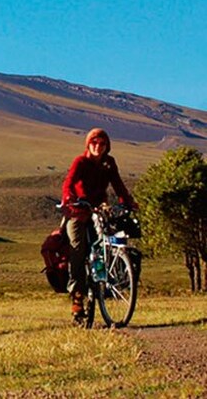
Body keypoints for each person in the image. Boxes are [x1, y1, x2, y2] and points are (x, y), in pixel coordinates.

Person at [60, 128, 136, 324]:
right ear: (88, 144)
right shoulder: (80, 162)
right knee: (77, 249)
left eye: (102, 144)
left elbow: (118, 184)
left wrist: (127, 201)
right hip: (78, 211)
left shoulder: (108, 163)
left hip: (100, 211)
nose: (98, 147)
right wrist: (69, 198)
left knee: (108, 243)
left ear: (107, 146)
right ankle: (77, 297)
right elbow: (69, 182)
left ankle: (106, 283)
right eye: (94, 143)